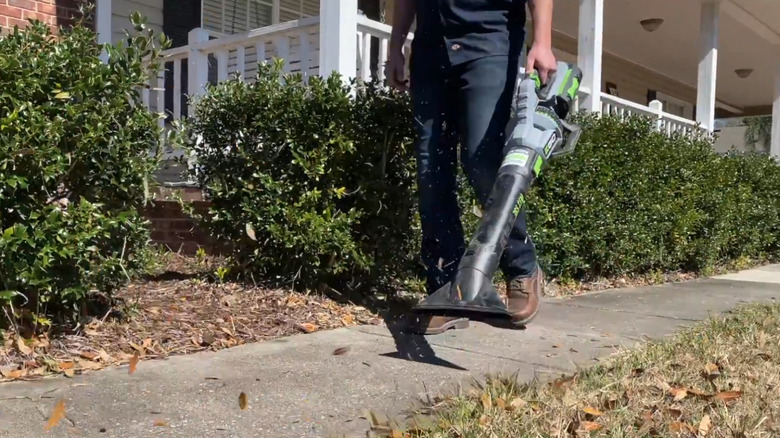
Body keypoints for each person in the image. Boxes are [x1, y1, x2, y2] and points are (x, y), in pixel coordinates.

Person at [386, 0, 558, 335]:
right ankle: (447, 286)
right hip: (431, 46)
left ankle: (522, 267)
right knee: (431, 168)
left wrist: (543, 41)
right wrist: (396, 46)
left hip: (490, 38)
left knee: (482, 159)